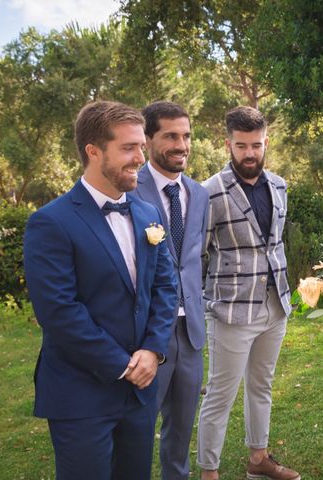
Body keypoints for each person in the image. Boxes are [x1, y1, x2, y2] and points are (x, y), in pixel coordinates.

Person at [23, 100, 177, 479]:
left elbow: (166, 287)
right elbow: (59, 312)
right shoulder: (50, 222)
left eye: (141, 146)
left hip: (140, 392)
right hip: (80, 394)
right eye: (128, 148)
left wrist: (153, 350)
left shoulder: (148, 213)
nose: (141, 158)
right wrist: (122, 365)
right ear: (93, 151)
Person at [197, 106, 299, 480]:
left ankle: (258, 459)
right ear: (228, 144)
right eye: (241, 146)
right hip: (231, 313)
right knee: (219, 395)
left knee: (262, 385)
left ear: (265, 141)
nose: (250, 153)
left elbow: (274, 244)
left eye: (256, 145)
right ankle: (210, 473)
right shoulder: (209, 193)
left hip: (276, 305)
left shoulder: (279, 185)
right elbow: (197, 255)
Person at [130, 101, 209, 478]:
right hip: (147, 333)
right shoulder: (130, 190)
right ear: (148, 140)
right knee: (138, 430)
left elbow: (192, 258)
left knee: (180, 432)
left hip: (191, 331)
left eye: (187, 136)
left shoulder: (199, 193)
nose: (182, 145)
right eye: (171, 136)